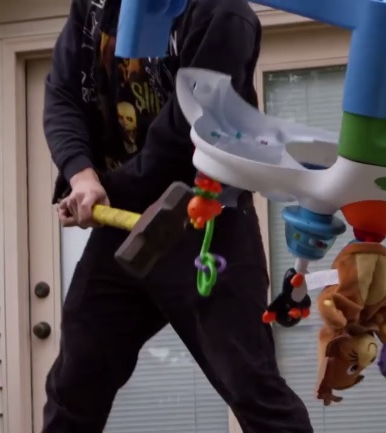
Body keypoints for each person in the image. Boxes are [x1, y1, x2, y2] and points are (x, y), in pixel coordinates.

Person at [42, 0, 313, 431]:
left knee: (249, 384)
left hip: (207, 224)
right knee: (75, 382)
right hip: (125, 226)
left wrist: (106, 188)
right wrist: (81, 173)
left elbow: (183, 133)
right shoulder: (93, 6)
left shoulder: (221, 14)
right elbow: (61, 94)